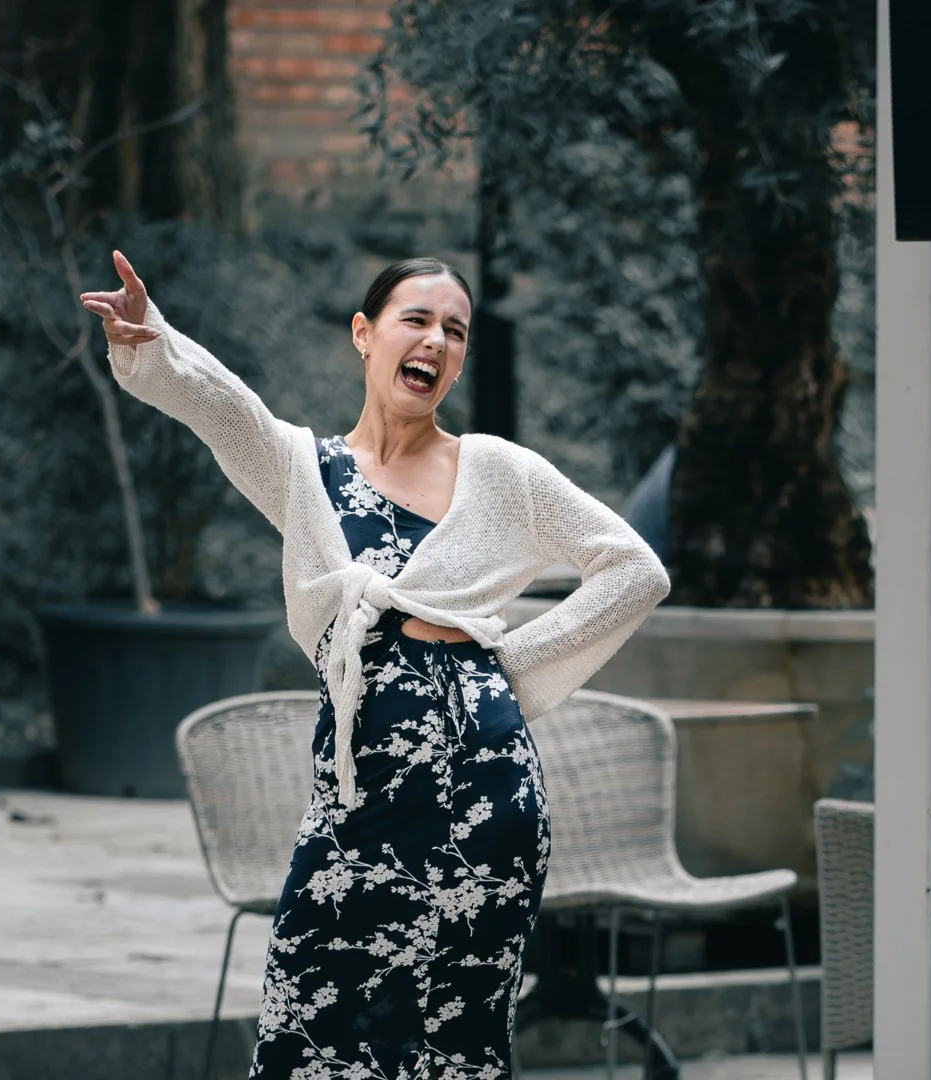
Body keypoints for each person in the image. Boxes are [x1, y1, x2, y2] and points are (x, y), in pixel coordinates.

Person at [81, 251, 671, 1078]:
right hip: (358, 799)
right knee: (305, 1032)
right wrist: (155, 340)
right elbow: (226, 412)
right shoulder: (305, 473)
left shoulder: (497, 471)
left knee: (454, 1048)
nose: (436, 341)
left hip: (486, 792)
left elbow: (635, 569)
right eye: (417, 320)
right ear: (365, 334)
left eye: (455, 331)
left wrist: (505, 664)